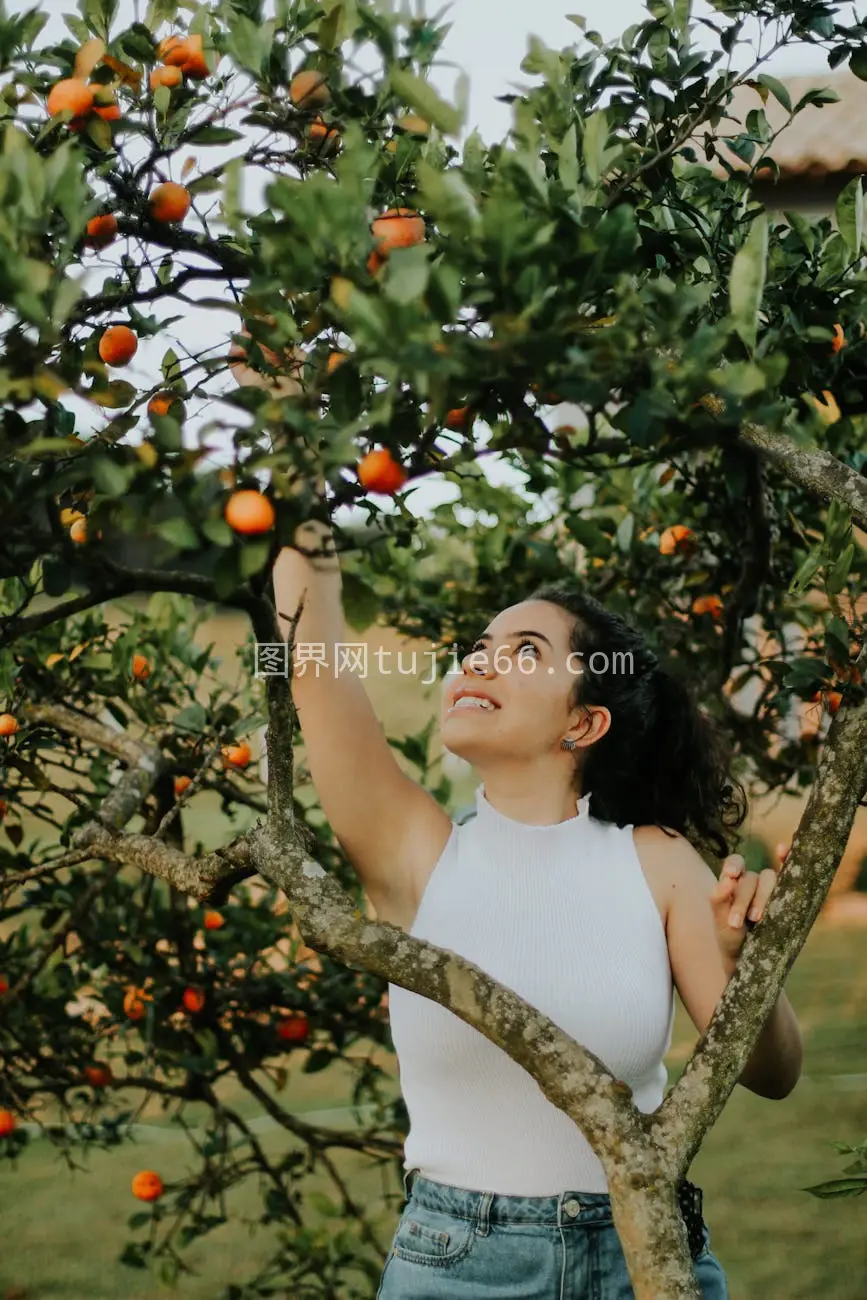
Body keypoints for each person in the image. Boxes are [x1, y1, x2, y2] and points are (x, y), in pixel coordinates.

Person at [273, 475, 750, 1297]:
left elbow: (770, 1072)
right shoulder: (416, 853)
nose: (479, 661)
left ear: (582, 722)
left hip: (644, 1254)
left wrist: (747, 968)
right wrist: (288, 467)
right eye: (479, 645)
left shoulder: (657, 860)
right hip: (462, 1265)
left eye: (523, 650)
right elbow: (312, 665)